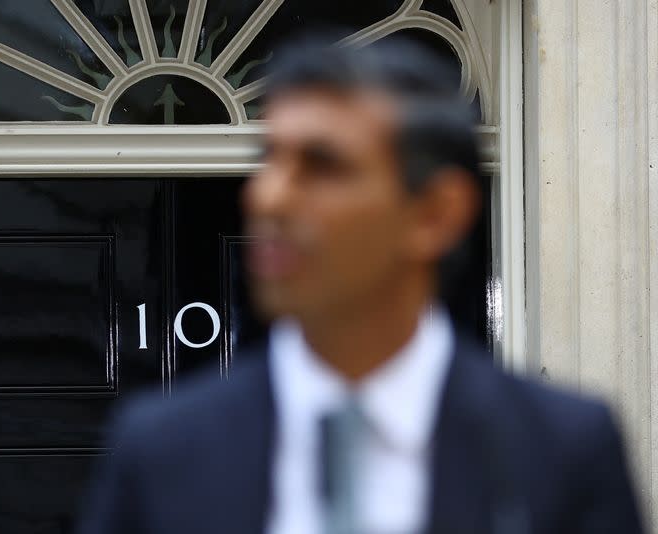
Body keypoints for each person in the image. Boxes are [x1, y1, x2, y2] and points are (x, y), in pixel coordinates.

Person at [77, 37, 644, 534]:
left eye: (323, 166)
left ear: (436, 214)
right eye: (271, 159)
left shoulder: (560, 449)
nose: (268, 197)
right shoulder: (162, 451)